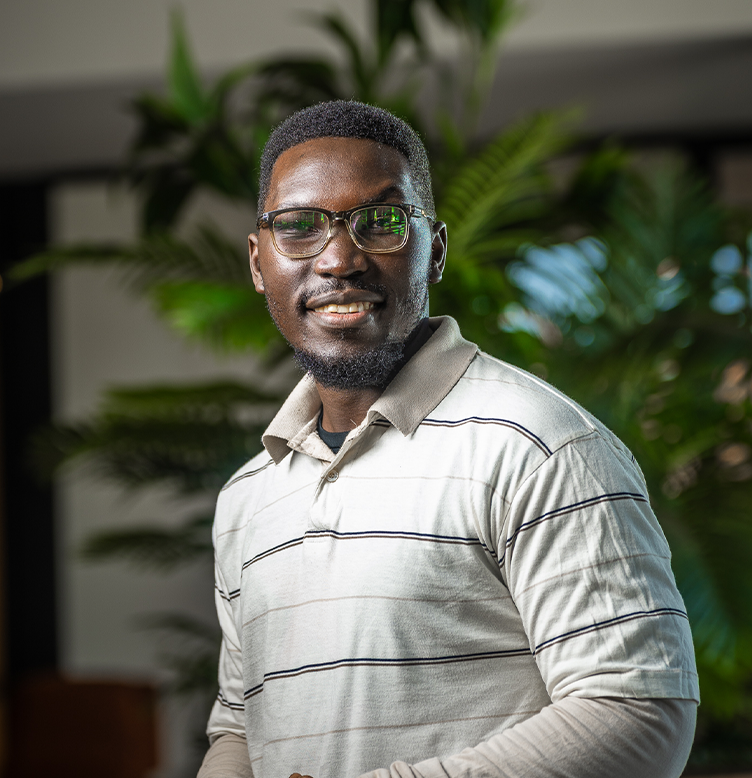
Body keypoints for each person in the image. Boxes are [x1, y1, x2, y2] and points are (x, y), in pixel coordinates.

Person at [197, 100, 699, 778]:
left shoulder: (537, 445)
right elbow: (240, 726)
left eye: (381, 223)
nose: (339, 259)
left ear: (433, 250)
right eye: (299, 226)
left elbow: (639, 713)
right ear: (259, 263)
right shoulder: (247, 497)